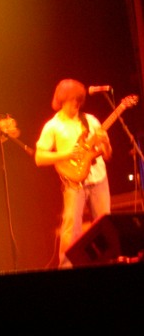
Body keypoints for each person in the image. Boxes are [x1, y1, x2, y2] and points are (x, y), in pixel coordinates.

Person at [35, 78, 112, 269]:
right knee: (71, 228)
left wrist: (106, 143)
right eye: (72, 100)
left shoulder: (91, 120)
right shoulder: (53, 126)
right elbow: (39, 157)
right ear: (62, 100)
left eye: (79, 100)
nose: (76, 104)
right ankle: (67, 268)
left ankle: (107, 263)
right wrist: (67, 154)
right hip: (73, 183)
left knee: (105, 225)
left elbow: (107, 154)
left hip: (98, 178)